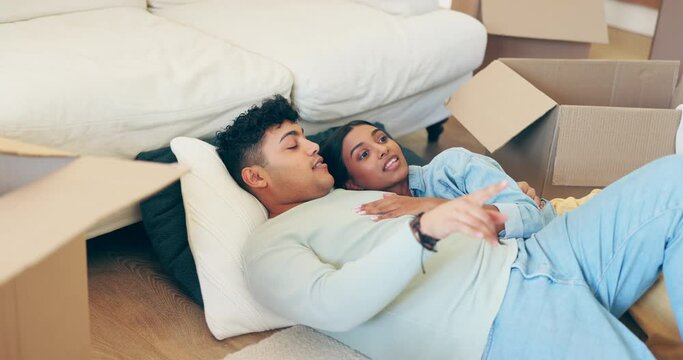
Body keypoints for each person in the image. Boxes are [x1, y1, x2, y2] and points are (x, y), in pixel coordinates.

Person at [215, 95, 682, 359]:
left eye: (306, 137)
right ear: (256, 177)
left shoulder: (349, 192)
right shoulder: (267, 248)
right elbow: (332, 304)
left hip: (544, 251)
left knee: (675, 179)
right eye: (292, 145)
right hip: (498, 318)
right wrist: (423, 232)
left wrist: (509, 204)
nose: (312, 147)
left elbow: (460, 188)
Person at [319, 120, 599, 232]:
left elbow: (532, 216)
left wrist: (430, 206)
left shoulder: (452, 167)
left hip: (569, 221)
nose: (382, 149)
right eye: (363, 154)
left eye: (381, 139)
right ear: (352, 184)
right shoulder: (372, 215)